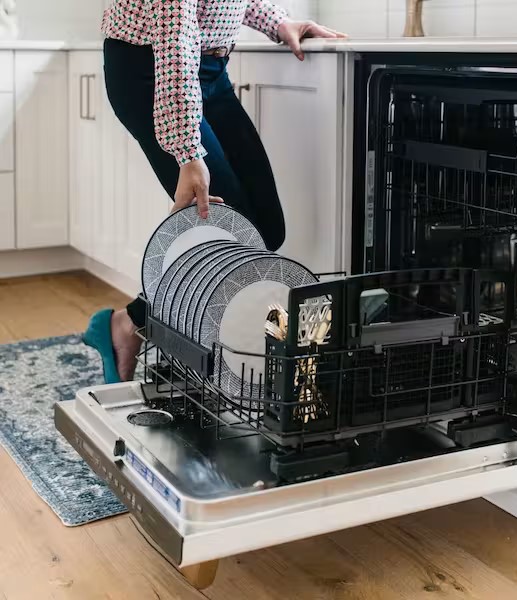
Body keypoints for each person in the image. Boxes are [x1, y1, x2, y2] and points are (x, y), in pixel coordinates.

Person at [82, 0, 345, 384]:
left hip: (208, 68)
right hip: (152, 68)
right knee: (228, 226)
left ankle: (128, 323)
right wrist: (188, 152)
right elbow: (175, 41)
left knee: (265, 230)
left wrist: (279, 21)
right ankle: (166, 344)